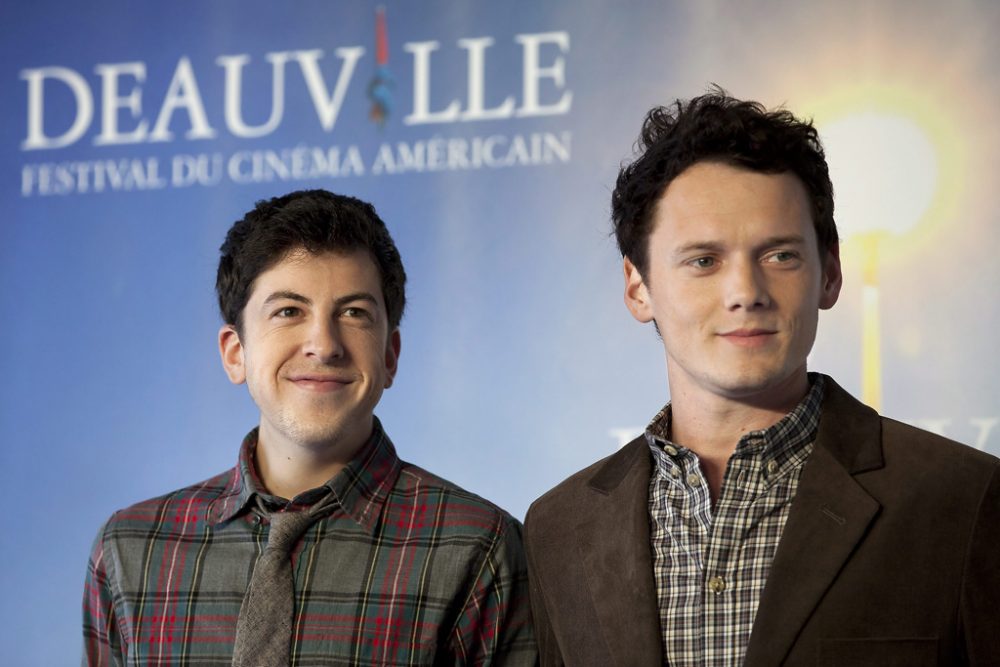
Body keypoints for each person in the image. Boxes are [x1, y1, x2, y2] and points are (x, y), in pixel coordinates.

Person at [523, 91, 1000, 666]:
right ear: (638, 287)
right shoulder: (560, 528)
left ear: (830, 273)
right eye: (703, 260)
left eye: (779, 256)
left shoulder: (964, 501)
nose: (745, 292)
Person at [83, 190, 537, 665]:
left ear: (390, 356)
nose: (323, 344)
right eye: (288, 311)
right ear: (235, 352)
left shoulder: (479, 547)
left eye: (354, 313)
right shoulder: (129, 548)